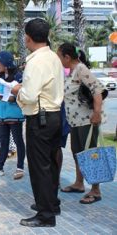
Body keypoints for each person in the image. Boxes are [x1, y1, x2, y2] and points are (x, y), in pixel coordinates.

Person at [12, 18, 64, 227]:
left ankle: (45, 215)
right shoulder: (53, 57)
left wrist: (17, 91)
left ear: (28, 37)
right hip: (54, 115)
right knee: (50, 164)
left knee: (39, 167)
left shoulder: (35, 61)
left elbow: (30, 95)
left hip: (39, 118)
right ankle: (51, 204)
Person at [57, 42, 105, 204]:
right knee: (78, 152)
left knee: (90, 154)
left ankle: (95, 190)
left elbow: (97, 91)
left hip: (87, 120)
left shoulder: (81, 69)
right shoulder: (71, 72)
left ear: (67, 57)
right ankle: (79, 183)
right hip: (75, 121)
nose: (58, 60)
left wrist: (97, 113)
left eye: (59, 56)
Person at [0, 51, 26, 180]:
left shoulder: (19, 76)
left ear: (5, 63)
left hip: (14, 114)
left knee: (18, 141)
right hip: (1, 113)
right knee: (3, 142)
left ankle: (20, 167)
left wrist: (13, 99)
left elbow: (23, 94)